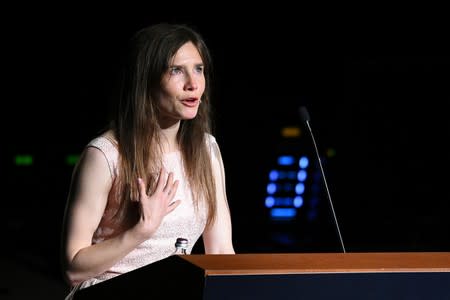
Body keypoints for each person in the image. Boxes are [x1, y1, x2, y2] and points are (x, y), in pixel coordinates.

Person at [60, 22, 235, 298]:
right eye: (176, 70)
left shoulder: (206, 149)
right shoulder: (106, 154)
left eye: (198, 69)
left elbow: (222, 252)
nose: (193, 83)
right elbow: (73, 268)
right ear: (147, 79)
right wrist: (141, 230)